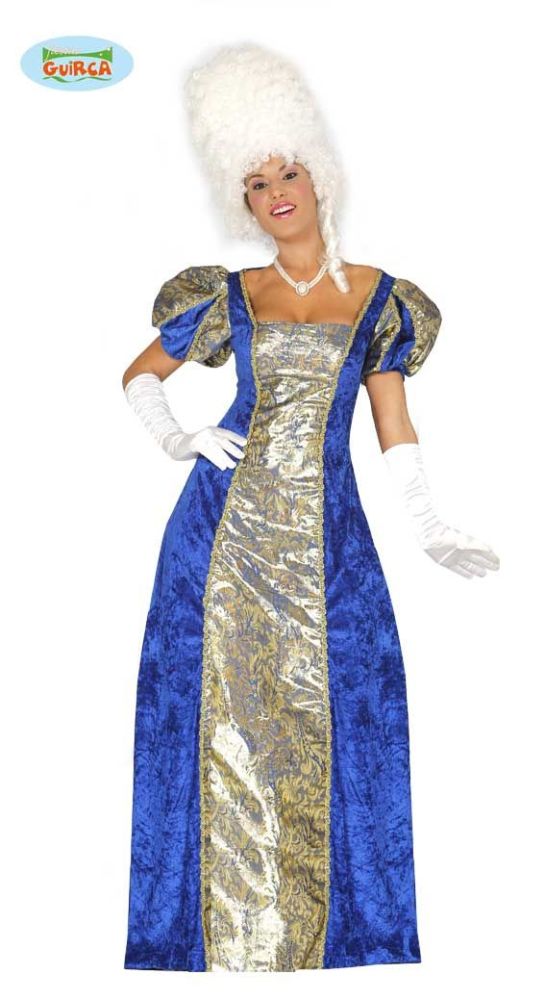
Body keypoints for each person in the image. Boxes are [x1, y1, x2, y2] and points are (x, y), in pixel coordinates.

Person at [122, 43, 500, 974]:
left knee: (346, 710)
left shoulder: (379, 299)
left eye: (286, 172)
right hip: (219, 537)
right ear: (242, 203)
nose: (275, 192)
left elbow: (392, 423)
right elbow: (138, 374)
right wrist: (178, 439)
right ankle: (210, 933)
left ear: (317, 175)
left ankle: (336, 932)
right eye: (255, 183)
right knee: (214, 717)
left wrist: (428, 525)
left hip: (327, 539)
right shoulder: (229, 296)